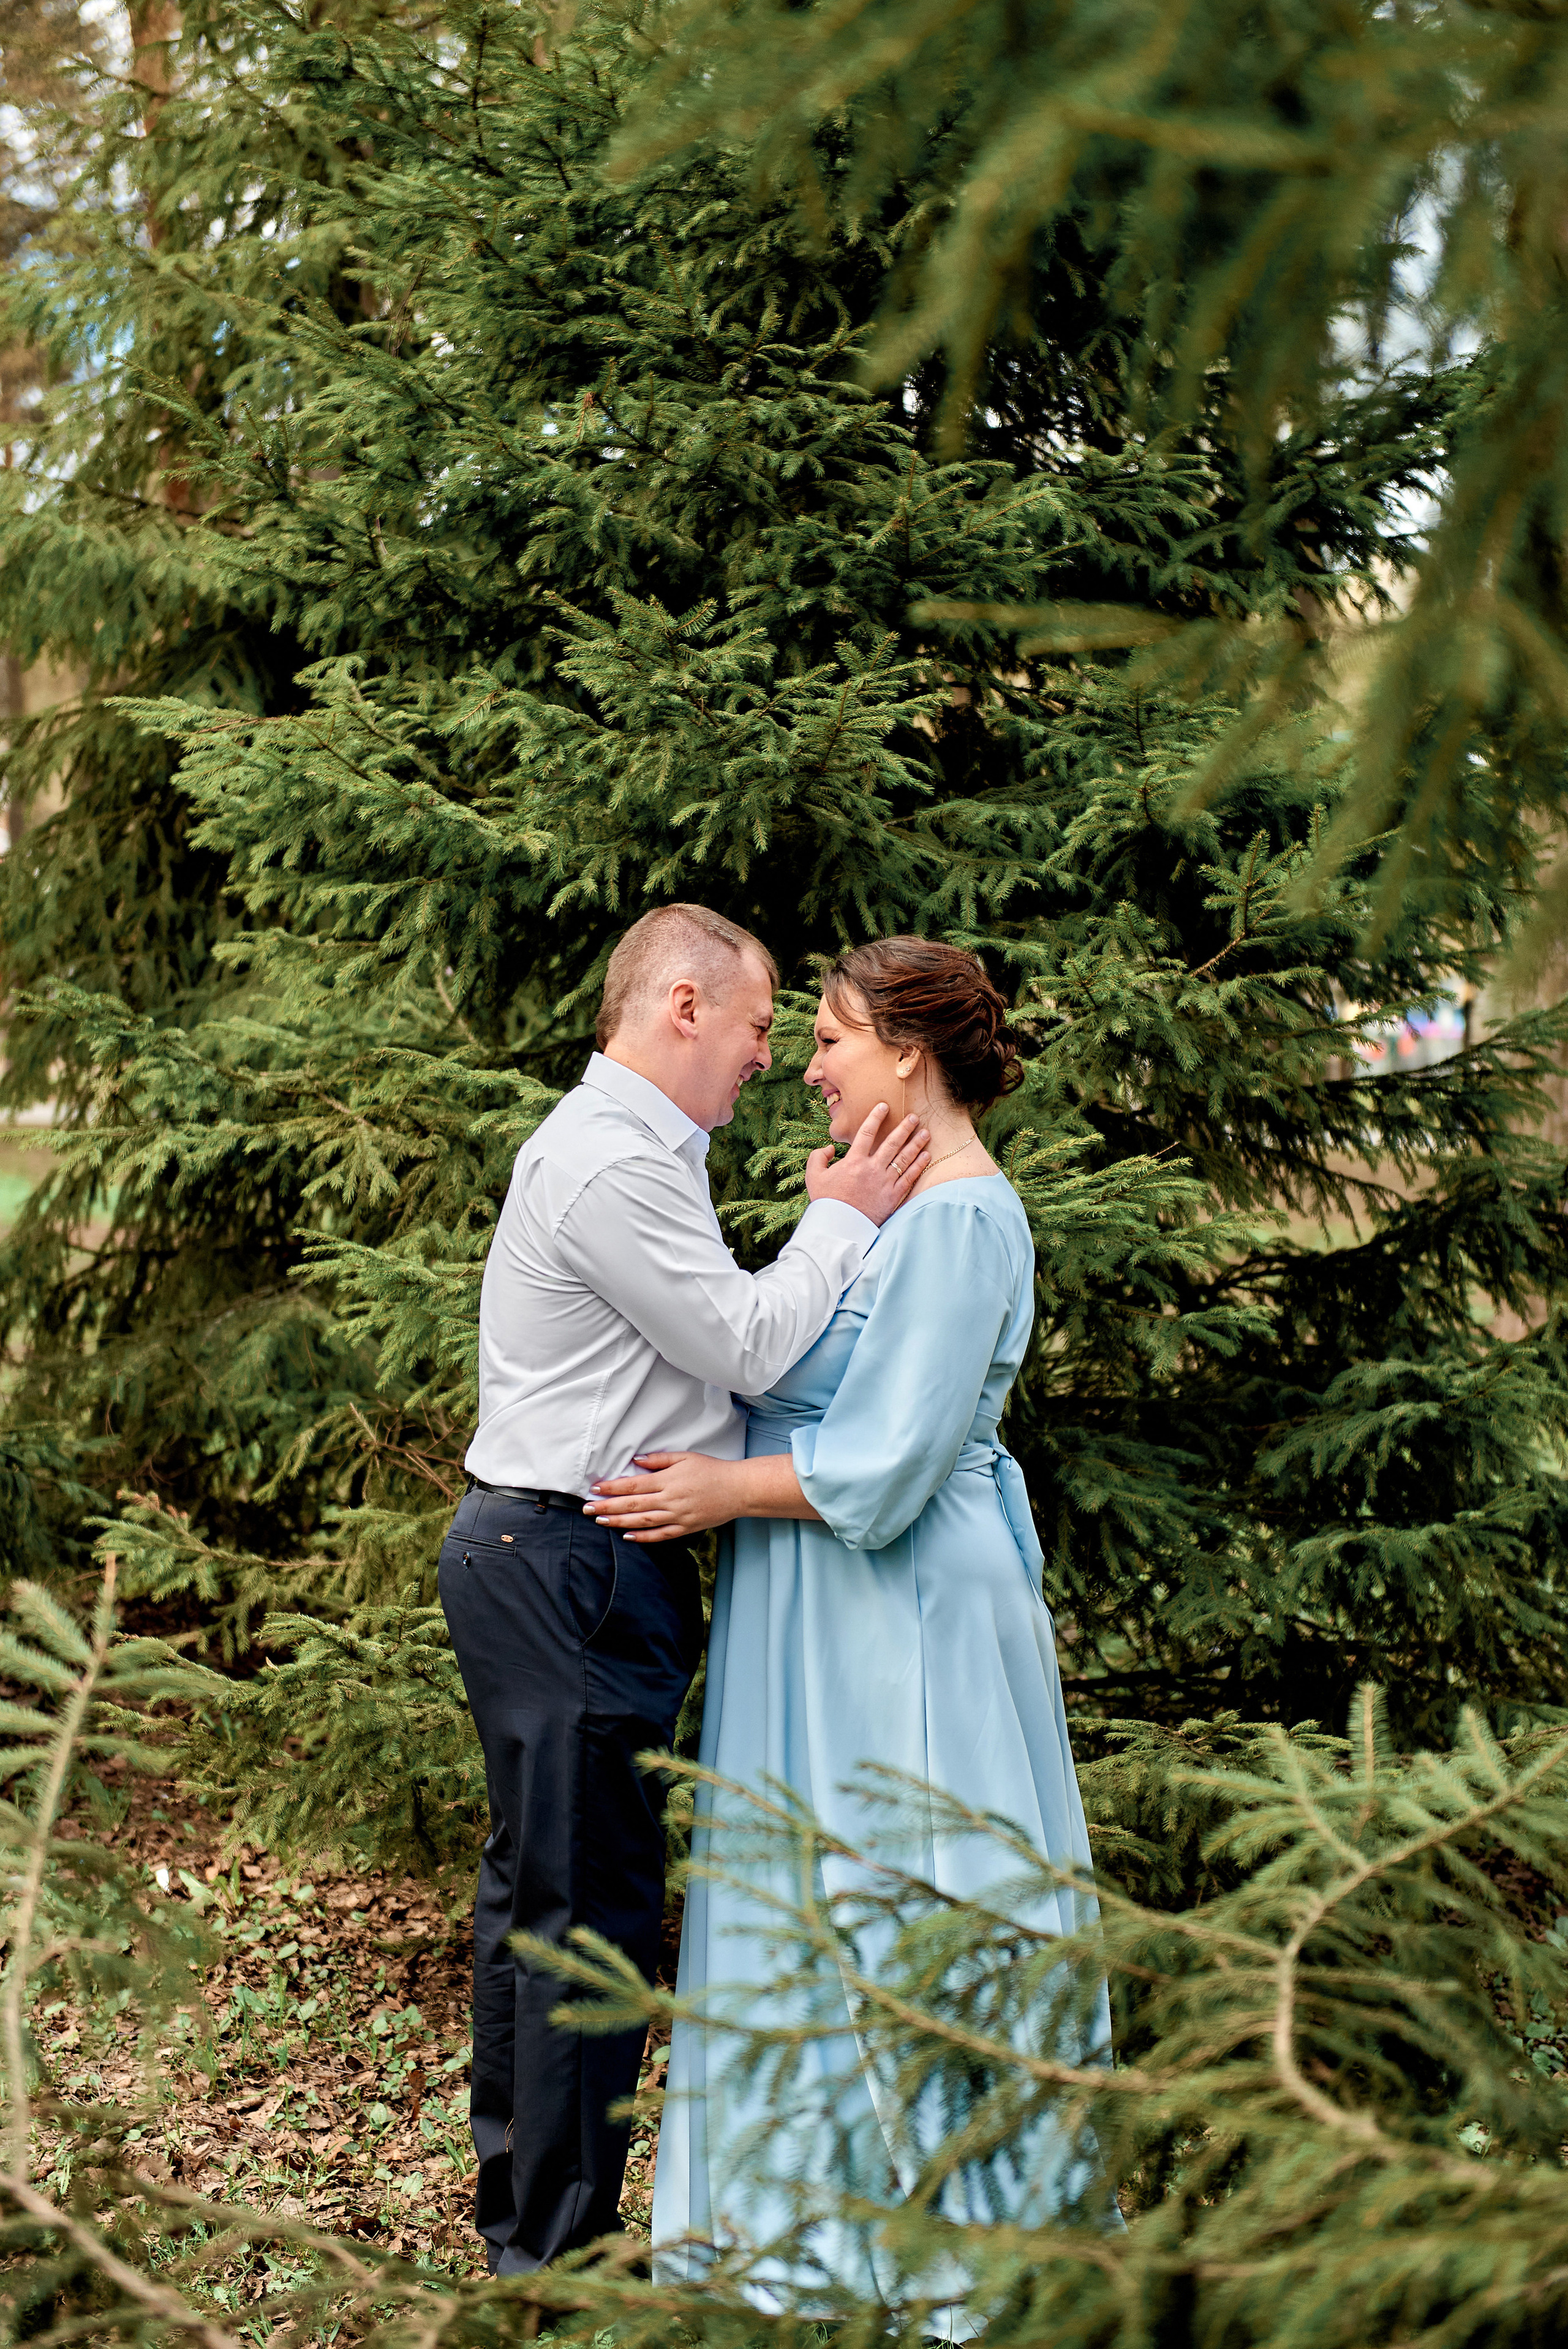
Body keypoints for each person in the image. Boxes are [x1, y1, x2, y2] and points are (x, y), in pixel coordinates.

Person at [586, 936, 1112, 2304]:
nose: (806, 1067)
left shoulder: (964, 1220)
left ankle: (972, 2249)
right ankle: (807, 2247)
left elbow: (890, 1457)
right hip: (813, 1598)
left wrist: (719, 1490)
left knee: (911, 1887)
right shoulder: (886, 1205)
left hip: (905, 1606)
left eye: (828, 1039)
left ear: (908, 1054)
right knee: (811, 1890)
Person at [437, 904, 930, 2277]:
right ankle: (560, 2267)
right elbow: (748, 1346)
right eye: (762, 1023)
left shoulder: (636, 1152)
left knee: (541, 1906)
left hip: (555, 1558)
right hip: (572, 1565)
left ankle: (533, 2241)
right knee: (581, 1922)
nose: (771, 1056)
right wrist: (839, 1222)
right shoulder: (612, 1163)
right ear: (683, 1007)